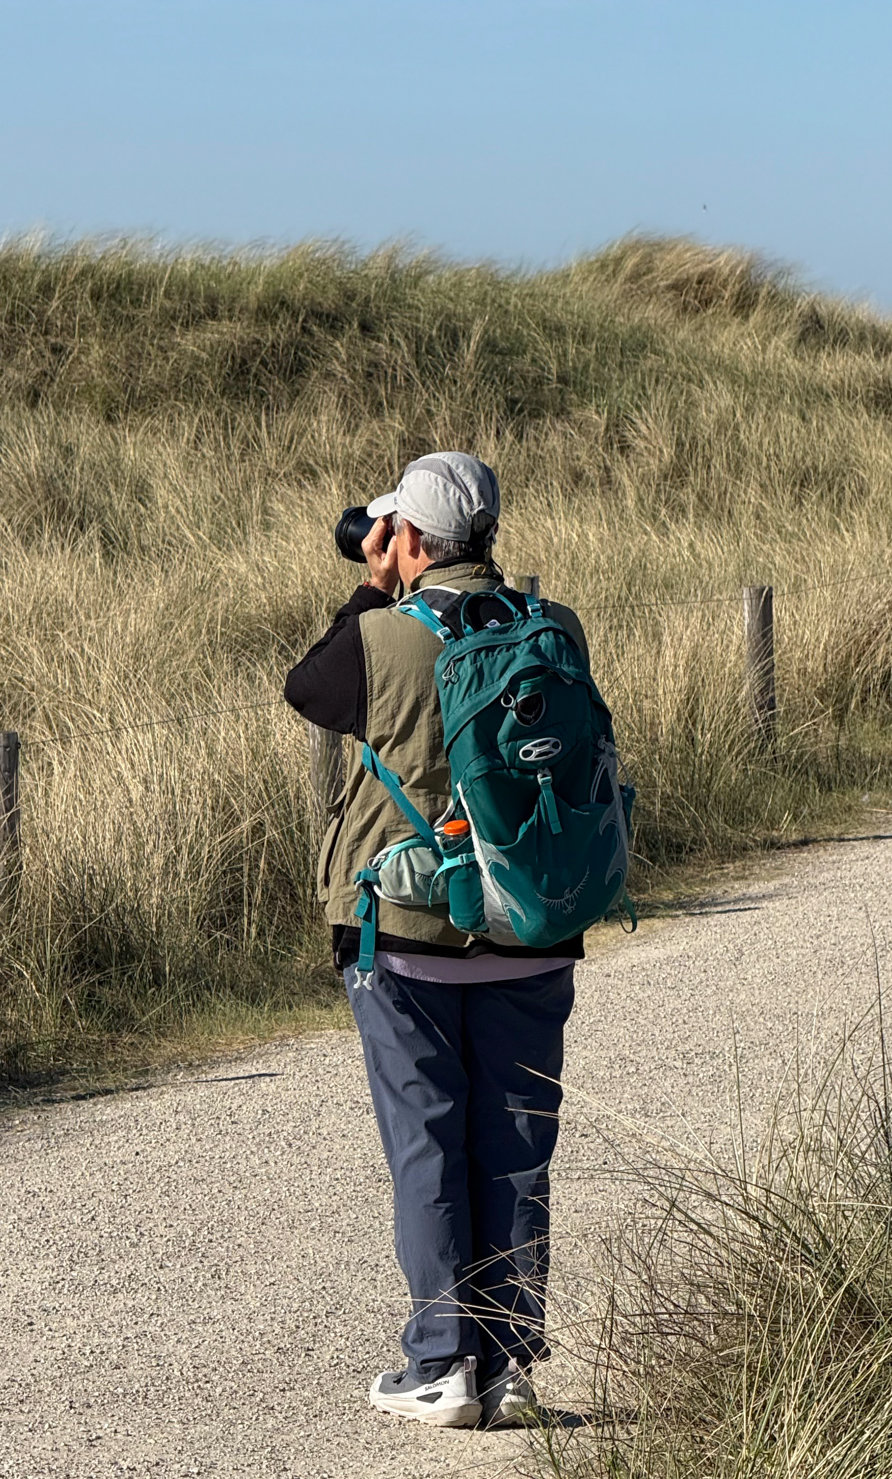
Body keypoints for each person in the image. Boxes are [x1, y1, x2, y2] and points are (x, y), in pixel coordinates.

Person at [284, 452, 589, 1431]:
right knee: (513, 1150)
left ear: (407, 537)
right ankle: (508, 1363)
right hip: (533, 927)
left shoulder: (380, 637)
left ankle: (438, 1362)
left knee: (428, 1146)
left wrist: (369, 587)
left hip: (405, 931)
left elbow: (307, 689)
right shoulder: (554, 629)